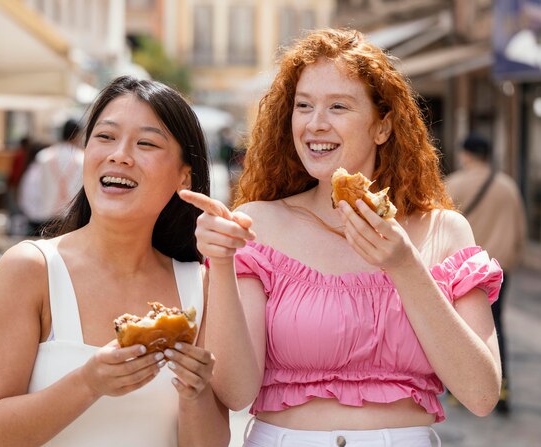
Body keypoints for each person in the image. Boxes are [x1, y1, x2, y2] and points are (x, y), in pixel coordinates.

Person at [180, 28, 503, 446]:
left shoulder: (443, 230)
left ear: (382, 127)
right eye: (303, 106)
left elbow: (481, 394)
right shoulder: (257, 224)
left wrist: (406, 267)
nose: (316, 124)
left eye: (338, 106)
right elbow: (236, 392)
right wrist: (220, 263)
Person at [0, 76, 230, 446]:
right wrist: (88, 383)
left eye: (146, 143)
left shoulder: (199, 285)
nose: (120, 154)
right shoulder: (29, 270)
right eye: (105, 137)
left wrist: (195, 393)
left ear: (183, 176)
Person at [446, 133, 527, 414]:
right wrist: (510, 261)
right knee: (496, 327)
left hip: (463, 272)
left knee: (459, 329)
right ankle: (501, 388)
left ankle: (459, 389)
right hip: (498, 269)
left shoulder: (454, 184)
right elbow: (520, 231)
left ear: (466, 154)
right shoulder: (508, 187)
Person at [18, 119, 84, 236]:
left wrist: (33, 213)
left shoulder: (43, 156)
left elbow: (33, 186)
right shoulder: (82, 158)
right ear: (77, 135)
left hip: (46, 215)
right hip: (72, 217)